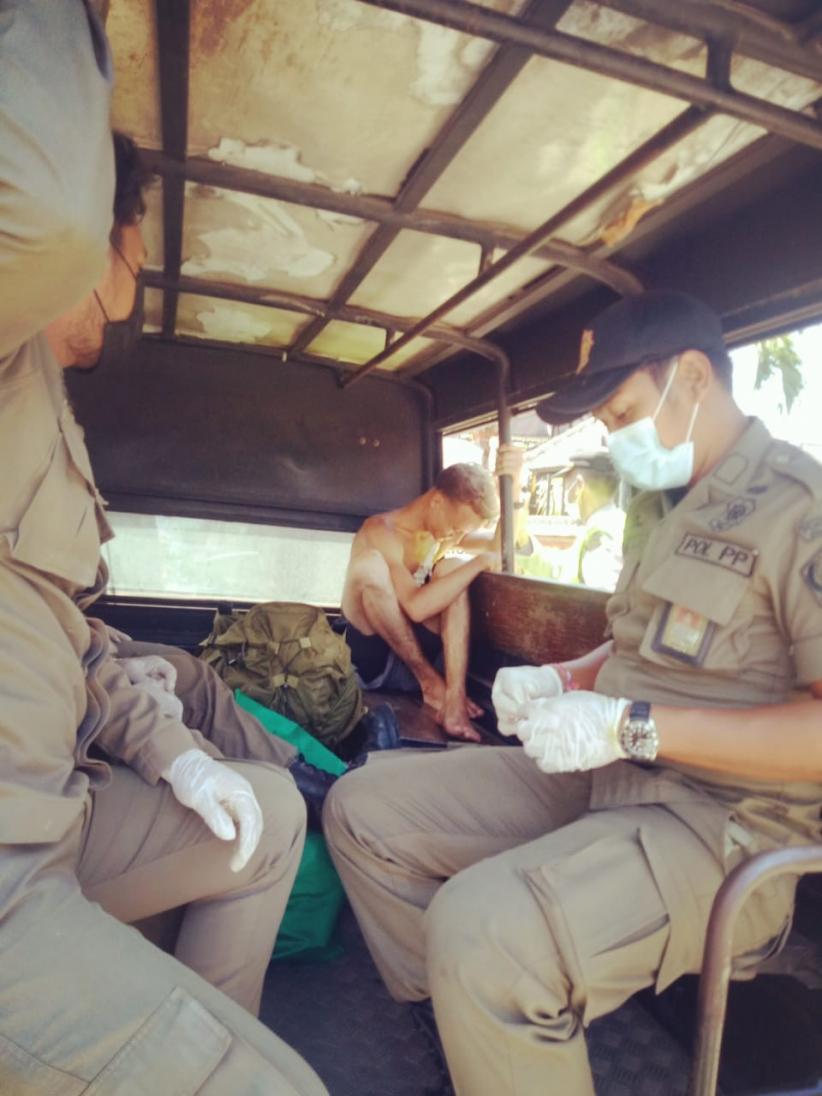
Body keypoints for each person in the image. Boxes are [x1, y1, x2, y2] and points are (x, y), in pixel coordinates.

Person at [323, 289, 822, 1095]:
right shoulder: (667, 507)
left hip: (722, 831)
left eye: (621, 410)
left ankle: (491, 993)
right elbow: (637, 644)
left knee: (486, 932)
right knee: (362, 808)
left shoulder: (802, 508)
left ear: (693, 378)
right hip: (606, 778)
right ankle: (471, 1037)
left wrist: (637, 727)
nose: (612, 436)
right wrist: (561, 678)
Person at [0, 4, 325, 1091]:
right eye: (133, 254)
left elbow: (66, 634)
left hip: (51, 820)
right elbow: (37, 205)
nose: (134, 292)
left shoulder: (42, 403)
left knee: (267, 814)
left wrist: (173, 749)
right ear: (104, 245)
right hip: (7, 880)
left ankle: (204, 1030)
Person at [341, 449, 524, 740]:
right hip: (373, 664)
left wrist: (514, 486)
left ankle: (454, 696)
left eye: (460, 534)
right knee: (370, 567)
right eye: (454, 529)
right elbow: (414, 607)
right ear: (437, 501)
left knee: (452, 566)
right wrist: (478, 561)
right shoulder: (382, 531)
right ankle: (433, 686)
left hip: (421, 656)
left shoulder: (445, 533)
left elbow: (499, 549)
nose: (454, 537)